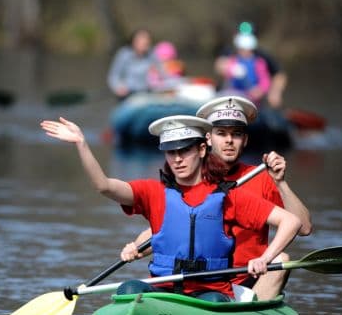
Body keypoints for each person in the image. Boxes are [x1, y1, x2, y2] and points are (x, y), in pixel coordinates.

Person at [40, 114, 302, 302]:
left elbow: (292, 222)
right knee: (128, 291)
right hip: (163, 289)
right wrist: (82, 145)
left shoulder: (228, 197)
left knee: (213, 305)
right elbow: (104, 186)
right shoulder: (154, 192)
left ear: (201, 150)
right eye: (170, 151)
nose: (177, 159)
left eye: (184, 150)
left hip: (210, 294)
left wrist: (265, 258)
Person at [120, 96, 313, 300]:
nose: (229, 140)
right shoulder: (188, 177)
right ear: (208, 139)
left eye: (236, 134)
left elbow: (304, 228)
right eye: (221, 133)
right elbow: (168, 228)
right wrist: (136, 247)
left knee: (281, 260)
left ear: (245, 140)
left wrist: (280, 183)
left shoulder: (262, 177)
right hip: (199, 281)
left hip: (247, 278)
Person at [215, 22, 288, 107]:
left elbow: (276, 76)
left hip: (251, 99)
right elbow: (220, 65)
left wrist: (274, 92)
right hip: (230, 95)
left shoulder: (261, 58)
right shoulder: (230, 53)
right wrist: (229, 69)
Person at [107, 28, 167, 98]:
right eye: (142, 40)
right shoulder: (124, 54)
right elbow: (114, 76)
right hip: (129, 93)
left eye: (147, 40)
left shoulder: (152, 54)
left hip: (148, 92)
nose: (145, 42)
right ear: (134, 42)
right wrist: (118, 87)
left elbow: (163, 73)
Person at [216, 30, 271, 104]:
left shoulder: (259, 62)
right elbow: (223, 69)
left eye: (243, 49)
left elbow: (265, 81)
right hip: (232, 94)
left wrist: (259, 91)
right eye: (240, 49)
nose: (241, 51)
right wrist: (230, 70)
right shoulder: (233, 60)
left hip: (249, 97)